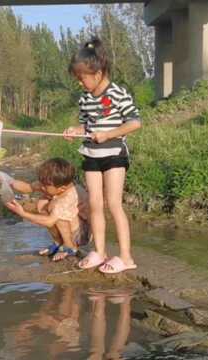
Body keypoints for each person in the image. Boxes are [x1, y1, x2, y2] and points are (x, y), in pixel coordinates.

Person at [62, 37, 142, 274]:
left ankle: (126, 257)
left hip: (114, 154)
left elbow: (135, 123)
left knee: (114, 204)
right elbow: (85, 126)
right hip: (91, 155)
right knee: (95, 203)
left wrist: (109, 134)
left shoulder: (117, 93)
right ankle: (99, 252)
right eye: (77, 78)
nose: (80, 82)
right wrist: (75, 131)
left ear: (97, 73)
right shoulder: (85, 99)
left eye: (82, 77)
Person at [4, 158, 91, 261]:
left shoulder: (68, 197)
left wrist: (23, 213)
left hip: (81, 233)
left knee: (55, 210)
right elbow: (27, 187)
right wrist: (9, 181)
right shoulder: (51, 183)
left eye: (45, 186)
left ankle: (70, 246)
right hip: (70, 225)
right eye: (42, 184)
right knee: (43, 204)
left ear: (62, 188)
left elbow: (50, 222)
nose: (42, 188)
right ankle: (58, 243)